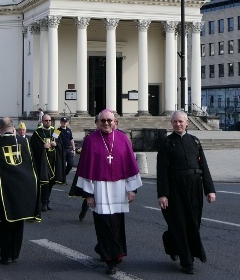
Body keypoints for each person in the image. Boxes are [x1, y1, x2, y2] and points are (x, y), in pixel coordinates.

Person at [74, 109, 142, 275]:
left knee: (117, 222)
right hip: (99, 187)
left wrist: (132, 189)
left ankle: (108, 250)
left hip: (119, 186)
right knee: (103, 223)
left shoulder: (122, 138)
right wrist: (88, 195)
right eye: (102, 121)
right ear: (97, 123)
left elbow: (130, 164)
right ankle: (110, 259)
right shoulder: (90, 140)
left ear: (115, 122)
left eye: (109, 121)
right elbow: (85, 167)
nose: (106, 123)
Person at [157, 111, 216, 275]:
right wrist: (163, 194)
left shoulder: (195, 141)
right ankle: (187, 262)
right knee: (179, 224)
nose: (177, 124)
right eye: (174, 122)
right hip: (175, 188)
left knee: (193, 223)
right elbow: (162, 171)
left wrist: (209, 190)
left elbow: (204, 166)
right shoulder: (167, 143)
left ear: (187, 122)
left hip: (195, 187)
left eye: (180, 121)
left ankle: (172, 243)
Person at [0, 117, 40, 264]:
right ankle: (15, 254)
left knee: (2, 223)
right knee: (18, 222)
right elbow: (31, 164)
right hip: (22, 187)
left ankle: (6, 255)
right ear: (13, 127)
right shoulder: (24, 142)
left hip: (3, 190)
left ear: (0, 129)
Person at [30, 114, 65, 211]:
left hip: (53, 160)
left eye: (49, 120)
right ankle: (43, 203)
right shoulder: (38, 133)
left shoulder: (55, 131)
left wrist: (56, 144)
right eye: (46, 120)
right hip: (43, 162)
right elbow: (32, 147)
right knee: (45, 182)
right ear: (42, 121)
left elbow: (60, 144)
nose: (48, 122)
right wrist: (42, 147)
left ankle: (46, 201)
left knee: (51, 182)